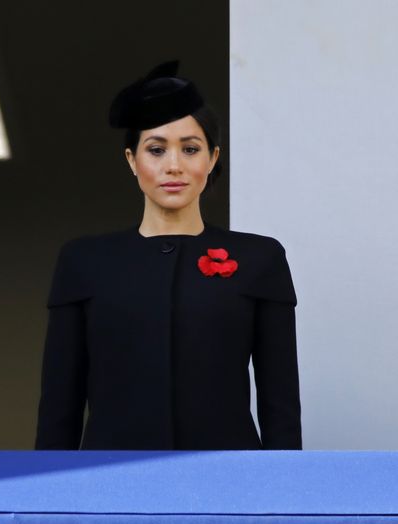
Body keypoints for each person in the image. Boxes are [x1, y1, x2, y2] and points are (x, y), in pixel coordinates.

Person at [35, 61, 301, 450]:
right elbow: (60, 406)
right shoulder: (84, 261)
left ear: (211, 159)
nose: (173, 166)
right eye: (156, 150)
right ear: (131, 160)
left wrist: (281, 494)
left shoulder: (261, 258)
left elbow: (281, 407)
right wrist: (50, 495)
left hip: (228, 480)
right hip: (109, 482)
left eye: (190, 149)